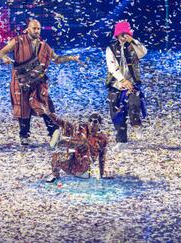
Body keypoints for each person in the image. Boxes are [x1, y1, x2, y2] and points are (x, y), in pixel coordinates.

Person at [0, 19, 80, 145]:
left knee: (43, 104)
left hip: (38, 81)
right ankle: (24, 136)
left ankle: (53, 132)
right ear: (28, 29)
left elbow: (56, 59)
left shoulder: (44, 46)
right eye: (34, 28)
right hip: (20, 81)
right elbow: (0, 53)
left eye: (38, 29)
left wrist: (71, 58)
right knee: (23, 108)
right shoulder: (18, 40)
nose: (36, 31)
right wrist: (5, 58)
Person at [105, 21, 148, 150]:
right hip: (117, 83)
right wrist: (123, 81)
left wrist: (133, 41)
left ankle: (136, 124)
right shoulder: (111, 48)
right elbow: (112, 67)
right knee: (117, 113)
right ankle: (122, 141)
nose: (124, 36)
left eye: (126, 34)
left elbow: (144, 52)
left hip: (132, 83)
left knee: (134, 104)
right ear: (117, 35)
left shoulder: (133, 46)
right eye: (122, 34)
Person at [45, 113, 110, 183]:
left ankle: (82, 173)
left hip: (84, 168)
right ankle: (55, 175)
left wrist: (102, 174)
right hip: (74, 162)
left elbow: (102, 157)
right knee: (57, 156)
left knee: (85, 145)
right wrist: (48, 113)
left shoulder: (102, 138)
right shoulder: (83, 129)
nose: (92, 124)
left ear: (99, 124)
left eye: (95, 121)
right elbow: (63, 124)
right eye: (90, 121)